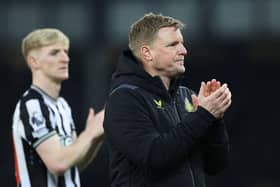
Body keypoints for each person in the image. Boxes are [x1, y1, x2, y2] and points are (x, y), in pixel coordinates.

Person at [104, 13, 232, 187]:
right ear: (147, 53)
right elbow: (154, 156)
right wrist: (203, 115)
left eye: (182, 43)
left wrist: (215, 119)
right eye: (173, 45)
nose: (184, 50)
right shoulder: (125, 98)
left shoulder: (186, 96)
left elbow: (214, 165)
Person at [12, 28, 104, 187]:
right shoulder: (33, 106)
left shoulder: (62, 105)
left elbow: (73, 163)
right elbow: (58, 164)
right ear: (34, 61)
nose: (65, 59)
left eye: (66, 52)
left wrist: (96, 138)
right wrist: (89, 133)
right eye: (54, 53)